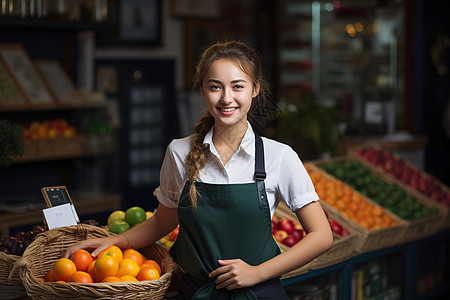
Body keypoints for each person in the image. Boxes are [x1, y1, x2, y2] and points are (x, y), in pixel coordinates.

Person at [65, 40, 333, 299]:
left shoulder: (279, 157)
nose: (227, 98)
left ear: (255, 89)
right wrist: (116, 242)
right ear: (203, 91)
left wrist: (256, 273)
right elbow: (163, 221)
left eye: (237, 86)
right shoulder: (179, 153)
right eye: (215, 87)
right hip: (196, 293)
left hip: (259, 293)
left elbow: (321, 236)